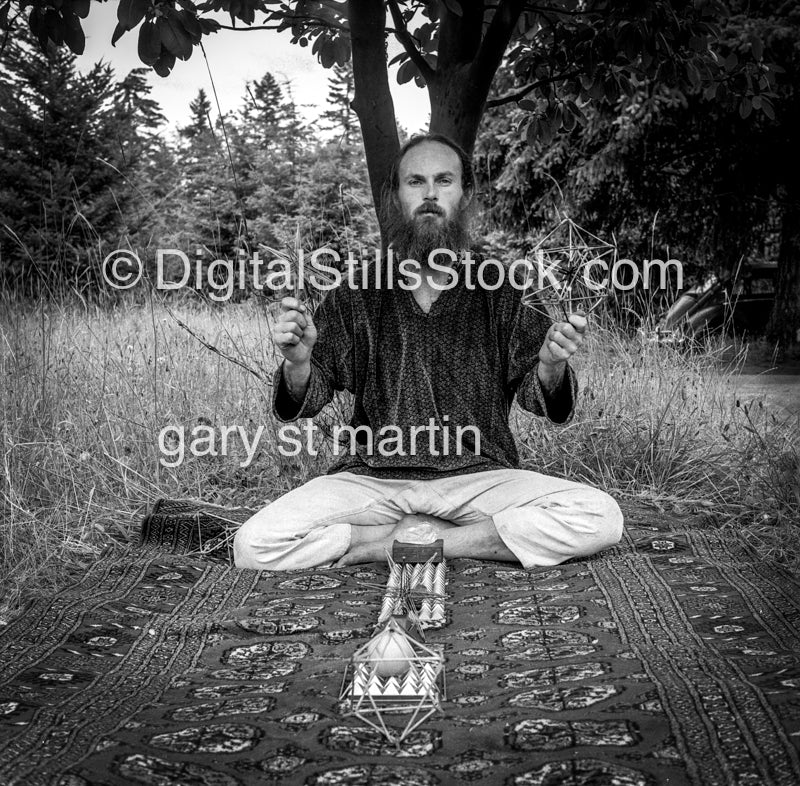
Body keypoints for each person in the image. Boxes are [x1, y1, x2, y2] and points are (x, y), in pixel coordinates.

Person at [233, 134, 623, 571]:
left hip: (479, 478)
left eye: (444, 181)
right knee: (253, 544)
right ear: (396, 197)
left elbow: (545, 401)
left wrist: (551, 366)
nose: (431, 194)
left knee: (602, 515)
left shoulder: (504, 288)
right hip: (372, 479)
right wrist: (299, 362)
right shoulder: (358, 292)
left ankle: (416, 543)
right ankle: (430, 535)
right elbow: (307, 396)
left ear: (465, 194)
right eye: (416, 182)